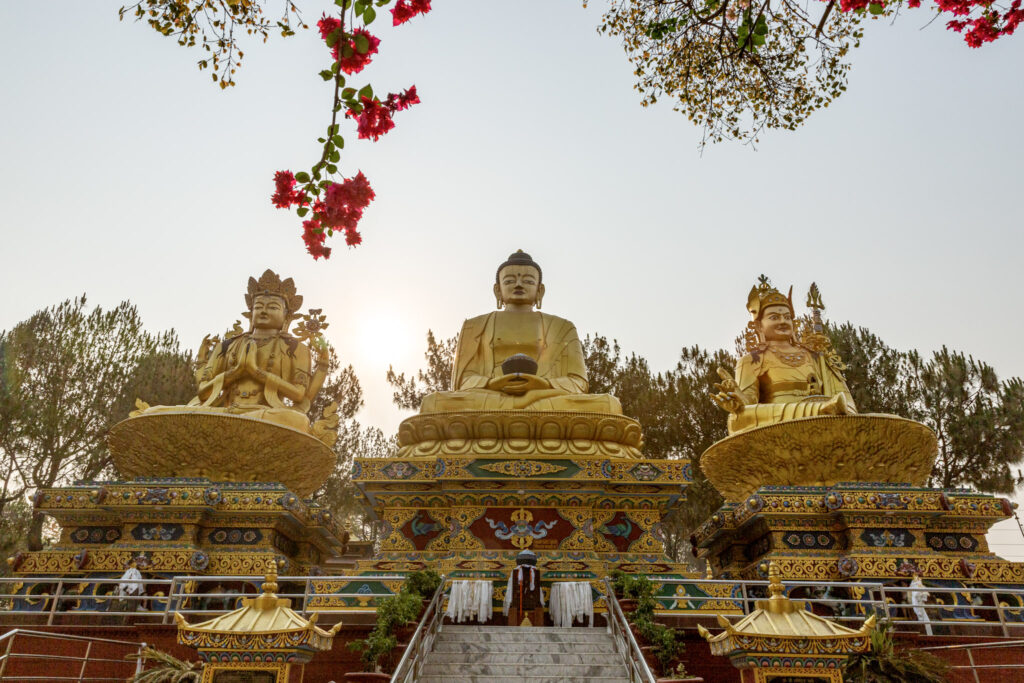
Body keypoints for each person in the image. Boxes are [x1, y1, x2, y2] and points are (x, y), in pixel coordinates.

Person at [420, 250, 621, 413]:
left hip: (545, 400)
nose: (518, 284)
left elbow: (577, 383)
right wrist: (493, 383)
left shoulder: (562, 326)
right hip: (489, 398)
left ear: (540, 290)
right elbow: (463, 382)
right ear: (497, 290)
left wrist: (541, 384)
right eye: (509, 281)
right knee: (434, 404)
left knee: (608, 405)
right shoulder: (475, 325)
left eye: (528, 280)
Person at [712, 276, 856, 434]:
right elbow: (748, 405)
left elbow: (846, 401)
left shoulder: (816, 357)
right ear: (759, 325)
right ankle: (818, 412)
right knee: (737, 418)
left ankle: (821, 411)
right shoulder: (751, 360)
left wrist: (847, 412)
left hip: (828, 415)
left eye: (787, 317)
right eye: (774, 317)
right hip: (777, 422)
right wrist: (737, 398)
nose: (783, 321)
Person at [909, 571, 933, 636]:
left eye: (917, 576)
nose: (917, 578)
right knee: (920, 614)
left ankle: (928, 634)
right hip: (916, 601)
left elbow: (925, 594)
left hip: (919, 602)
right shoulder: (914, 584)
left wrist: (923, 593)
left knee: (924, 617)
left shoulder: (920, 585)